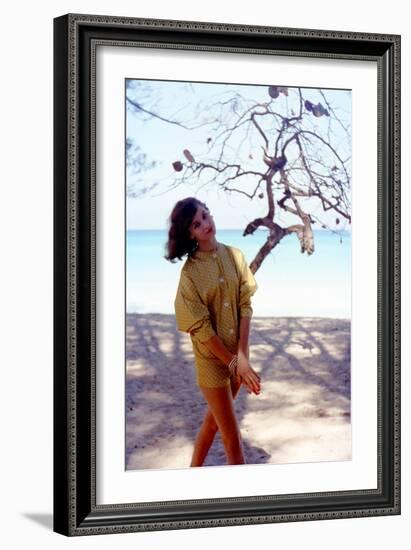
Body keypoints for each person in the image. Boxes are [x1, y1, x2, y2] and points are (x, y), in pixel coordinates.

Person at [164, 197, 261, 466]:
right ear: (189, 232)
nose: (205, 224)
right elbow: (201, 329)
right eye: (196, 223)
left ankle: (193, 473)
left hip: (237, 356)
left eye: (206, 216)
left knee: (212, 423)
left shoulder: (236, 256)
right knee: (232, 438)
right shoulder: (190, 275)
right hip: (212, 362)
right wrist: (232, 362)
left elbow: (245, 305)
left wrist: (241, 357)